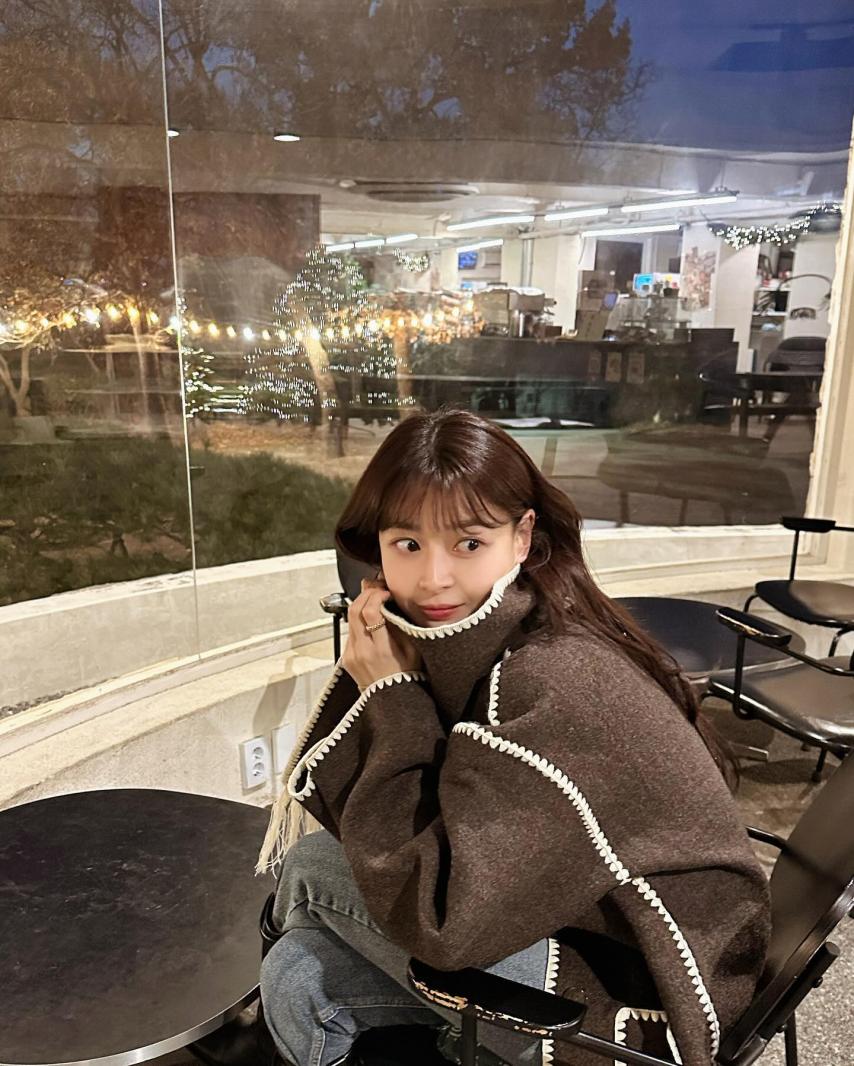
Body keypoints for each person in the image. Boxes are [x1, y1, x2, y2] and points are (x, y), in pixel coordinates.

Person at [241, 409, 769, 1066]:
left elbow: (445, 923)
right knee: (296, 974)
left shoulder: (548, 677)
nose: (434, 578)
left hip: (650, 982)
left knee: (312, 868)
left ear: (522, 538)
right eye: (407, 544)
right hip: (573, 911)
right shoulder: (492, 635)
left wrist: (391, 693)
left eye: (469, 543)